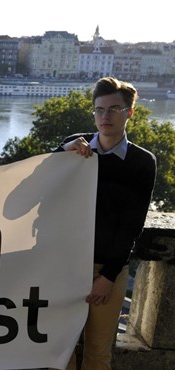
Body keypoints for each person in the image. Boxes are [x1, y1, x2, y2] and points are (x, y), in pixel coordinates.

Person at [55, 77, 156, 370]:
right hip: (66, 265)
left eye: (114, 109)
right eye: (99, 110)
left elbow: (132, 224)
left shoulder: (141, 162)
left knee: (98, 353)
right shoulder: (76, 148)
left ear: (129, 113)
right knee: (57, 349)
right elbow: (42, 182)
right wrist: (63, 151)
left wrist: (108, 276)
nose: (105, 117)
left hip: (108, 270)